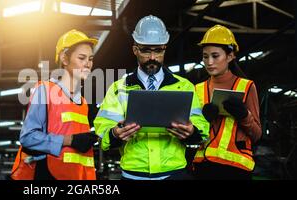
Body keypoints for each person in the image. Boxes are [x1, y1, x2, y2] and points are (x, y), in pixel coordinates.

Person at [94, 15, 209, 180]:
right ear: (135, 50)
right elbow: (103, 131)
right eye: (146, 50)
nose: (153, 57)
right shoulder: (118, 89)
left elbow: (201, 128)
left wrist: (192, 132)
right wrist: (115, 133)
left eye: (158, 50)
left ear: (165, 48)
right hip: (134, 174)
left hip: (174, 173)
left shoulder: (184, 87)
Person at [10, 29, 99, 180]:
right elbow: (28, 137)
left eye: (90, 58)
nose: (88, 64)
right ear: (65, 59)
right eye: (82, 58)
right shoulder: (45, 90)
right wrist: (70, 140)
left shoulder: (82, 101)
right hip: (49, 174)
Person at [192, 25, 262, 180]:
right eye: (205, 56)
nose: (209, 62)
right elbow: (189, 134)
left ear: (230, 56)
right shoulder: (197, 89)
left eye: (215, 56)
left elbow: (257, 135)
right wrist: (202, 121)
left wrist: (244, 115)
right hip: (202, 167)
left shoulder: (246, 86)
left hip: (236, 170)